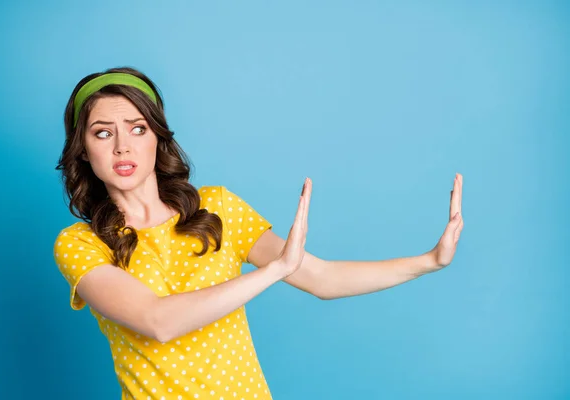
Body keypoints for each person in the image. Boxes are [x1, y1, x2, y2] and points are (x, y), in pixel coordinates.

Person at [53, 66, 464, 400]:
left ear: (158, 138)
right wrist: (273, 271)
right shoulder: (81, 244)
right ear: (83, 150)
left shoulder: (217, 209)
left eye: (138, 128)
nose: (122, 146)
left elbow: (323, 278)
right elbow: (158, 321)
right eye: (103, 133)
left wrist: (429, 261)